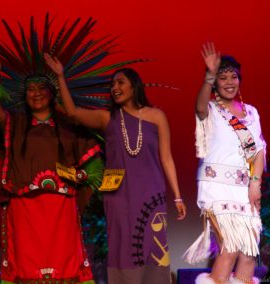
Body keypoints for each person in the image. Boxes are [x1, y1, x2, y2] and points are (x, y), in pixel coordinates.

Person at [45, 53, 187, 284]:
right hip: (119, 195)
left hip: (151, 193)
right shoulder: (107, 118)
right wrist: (60, 76)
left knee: (153, 243)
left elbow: (167, 158)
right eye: (112, 84)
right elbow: (71, 113)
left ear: (134, 85)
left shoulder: (156, 116)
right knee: (123, 246)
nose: (115, 88)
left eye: (120, 82)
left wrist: (178, 197)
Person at [0, 50, 102, 283]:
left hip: (61, 207)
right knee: (27, 268)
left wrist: (82, 174)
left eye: (41, 88)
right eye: (31, 90)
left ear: (52, 92)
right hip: (25, 207)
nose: (36, 94)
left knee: (65, 267)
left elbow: (94, 165)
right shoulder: (15, 123)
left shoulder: (68, 124)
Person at [183, 42, 266, 284]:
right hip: (216, 188)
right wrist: (208, 75)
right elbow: (198, 106)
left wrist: (255, 183)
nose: (229, 82)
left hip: (245, 189)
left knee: (250, 253)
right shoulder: (210, 109)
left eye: (233, 77)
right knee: (229, 248)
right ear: (215, 83)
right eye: (223, 77)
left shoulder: (251, 112)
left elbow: (258, 152)